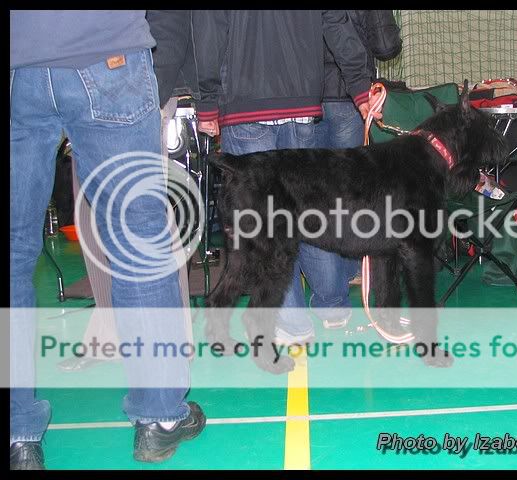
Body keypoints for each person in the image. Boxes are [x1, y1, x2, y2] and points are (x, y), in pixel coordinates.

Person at [10, 11, 205, 469]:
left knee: (13, 253)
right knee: (137, 239)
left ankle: (17, 433)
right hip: (104, 49)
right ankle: (159, 416)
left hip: (18, 63)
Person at [196, 10, 382, 345]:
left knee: (267, 231)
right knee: (309, 215)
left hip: (246, 105)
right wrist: (359, 86)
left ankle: (293, 324)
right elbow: (335, 20)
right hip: (301, 103)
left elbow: (210, 27)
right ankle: (333, 305)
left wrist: (207, 101)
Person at [57, 10, 204, 372]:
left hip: (142, 87)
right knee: (90, 214)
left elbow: (170, 24)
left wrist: (151, 95)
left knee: (146, 217)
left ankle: (173, 338)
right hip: (82, 90)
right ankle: (109, 332)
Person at [315, 9, 402, 300]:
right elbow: (387, 46)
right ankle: (347, 271)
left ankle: (326, 284)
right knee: (349, 193)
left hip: (305, 96)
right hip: (351, 95)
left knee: (317, 194)